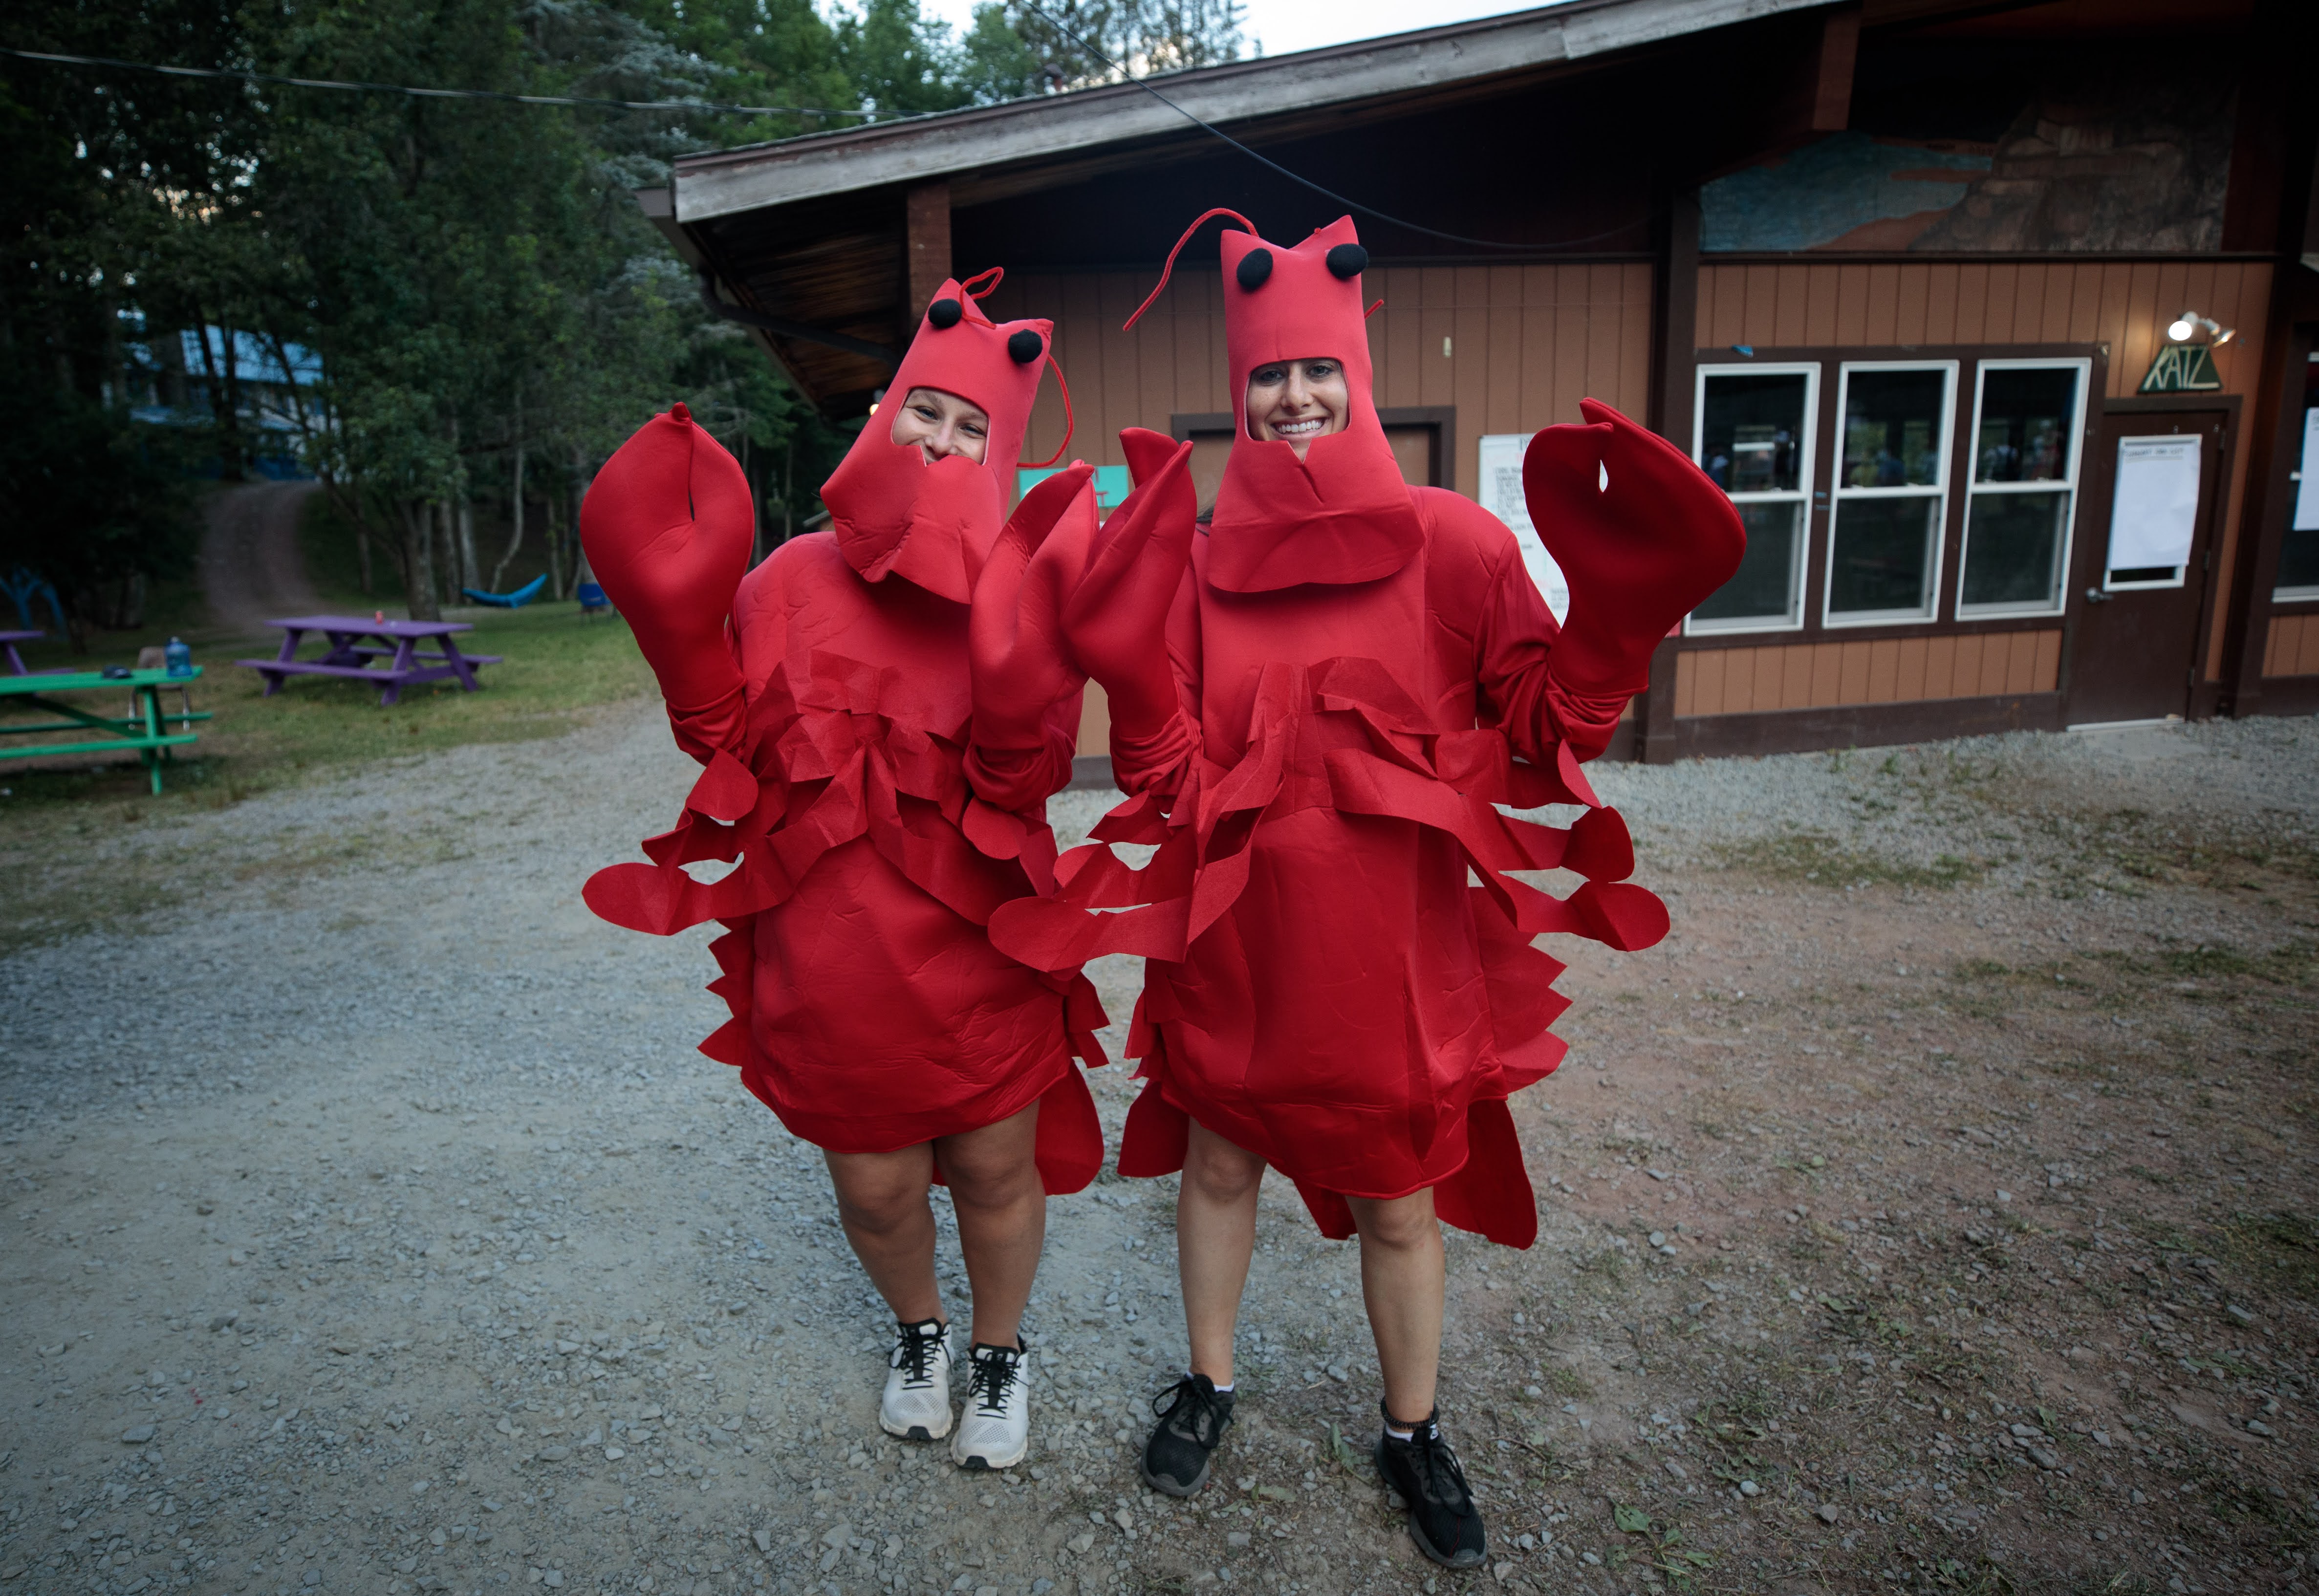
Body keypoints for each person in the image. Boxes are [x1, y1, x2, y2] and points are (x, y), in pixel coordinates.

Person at [989, 212, 1744, 1565]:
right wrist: (1135, 674)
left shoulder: (1456, 544)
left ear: (1358, 375)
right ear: (1240, 391)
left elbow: (1539, 730)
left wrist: (1617, 622)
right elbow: (1168, 771)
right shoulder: (1197, 562)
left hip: (1402, 952)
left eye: (1317, 371)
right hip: (1238, 943)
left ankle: (1413, 1427)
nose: (1295, 397)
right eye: (1269, 375)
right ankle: (1210, 1381)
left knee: (1401, 1199)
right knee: (1221, 1163)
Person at [578, 271, 1113, 1471]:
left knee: (993, 1170)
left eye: (973, 427)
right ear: (886, 410)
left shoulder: (1019, 590)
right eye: (928, 409)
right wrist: (677, 642)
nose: (942, 440)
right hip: (830, 962)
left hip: (978, 957)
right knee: (874, 1191)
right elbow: (727, 752)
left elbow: (1027, 783)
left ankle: (999, 1351)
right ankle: (919, 1334)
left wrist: (1016, 688)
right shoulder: (783, 580)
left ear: (999, 453)